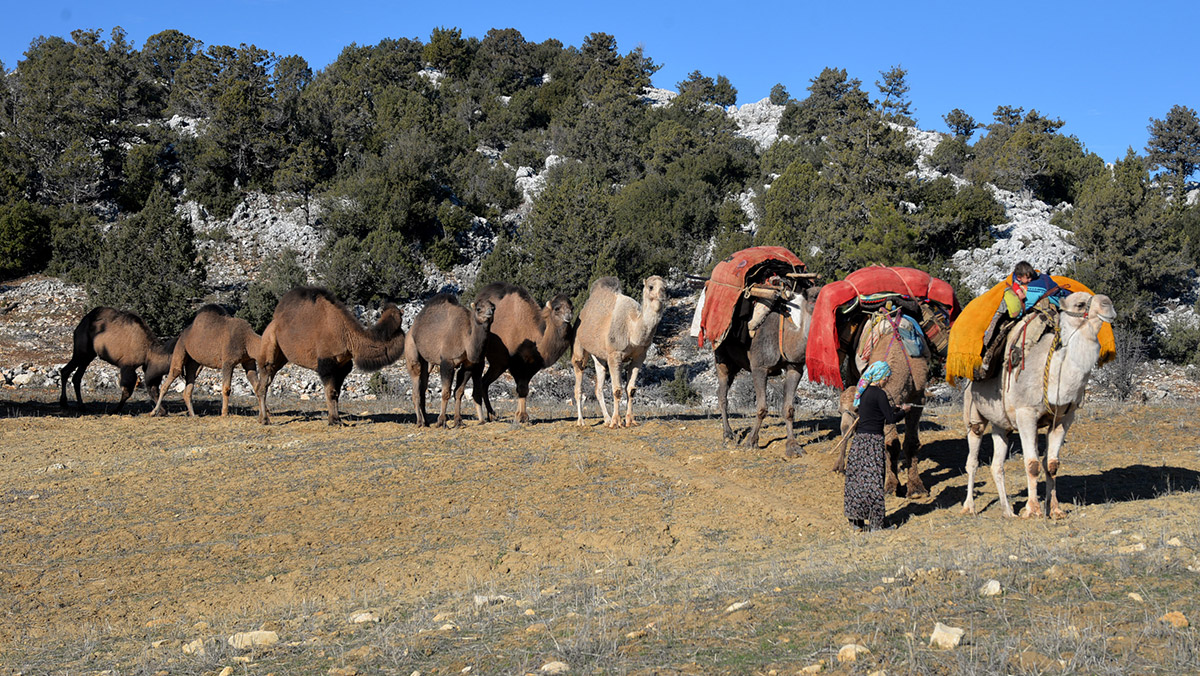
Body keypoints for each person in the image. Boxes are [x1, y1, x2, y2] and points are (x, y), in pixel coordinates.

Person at [844, 361, 912, 532]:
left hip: (859, 442)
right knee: (874, 483)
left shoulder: (864, 392)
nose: (888, 379)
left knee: (858, 482)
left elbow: (876, 411)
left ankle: (856, 522)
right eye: (887, 376)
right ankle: (876, 525)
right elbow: (890, 419)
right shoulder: (880, 394)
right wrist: (904, 411)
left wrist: (891, 408)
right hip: (873, 443)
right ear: (881, 376)